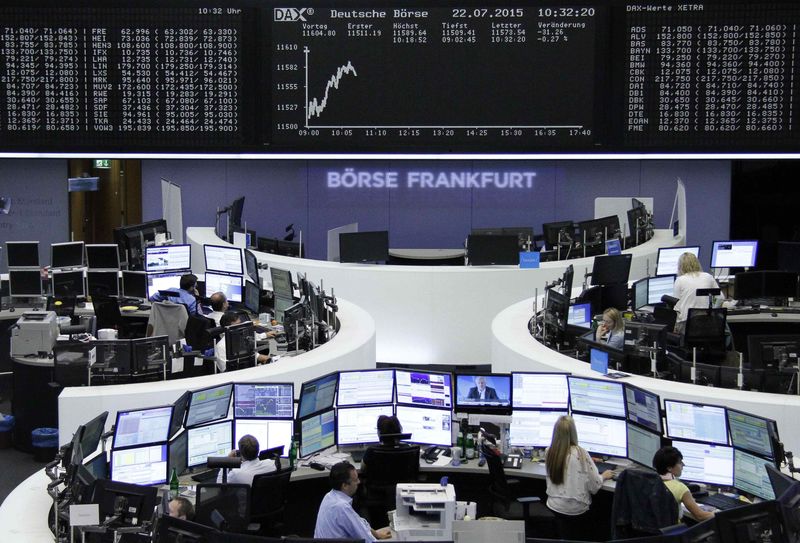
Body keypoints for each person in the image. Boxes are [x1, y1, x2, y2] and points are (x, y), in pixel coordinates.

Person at [545, 415, 614, 541]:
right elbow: (594, 486)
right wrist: (604, 476)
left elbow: (565, 459)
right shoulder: (582, 454)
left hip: (554, 507)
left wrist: (586, 462)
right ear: (573, 432)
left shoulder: (549, 451)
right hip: (576, 511)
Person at [314, 461, 392, 541]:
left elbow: (359, 522)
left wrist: (376, 534)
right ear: (344, 485)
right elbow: (368, 540)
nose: (359, 482)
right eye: (355, 480)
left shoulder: (329, 496)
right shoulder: (342, 507)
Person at [653, 446, 714, 522]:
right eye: (680, 462)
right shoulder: (680, 488)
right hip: (672, 532)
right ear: (669, 468)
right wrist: (718, 514)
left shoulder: (648, 481)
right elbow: (700, 516)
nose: (683, 465)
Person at [673, 252, 721, 333]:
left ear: (680, 266)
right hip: (708, 324)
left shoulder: (680, 280)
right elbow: (720, 298)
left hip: (687, 326)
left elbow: (676, 306)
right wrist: (713, 311)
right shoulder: (708, 276)